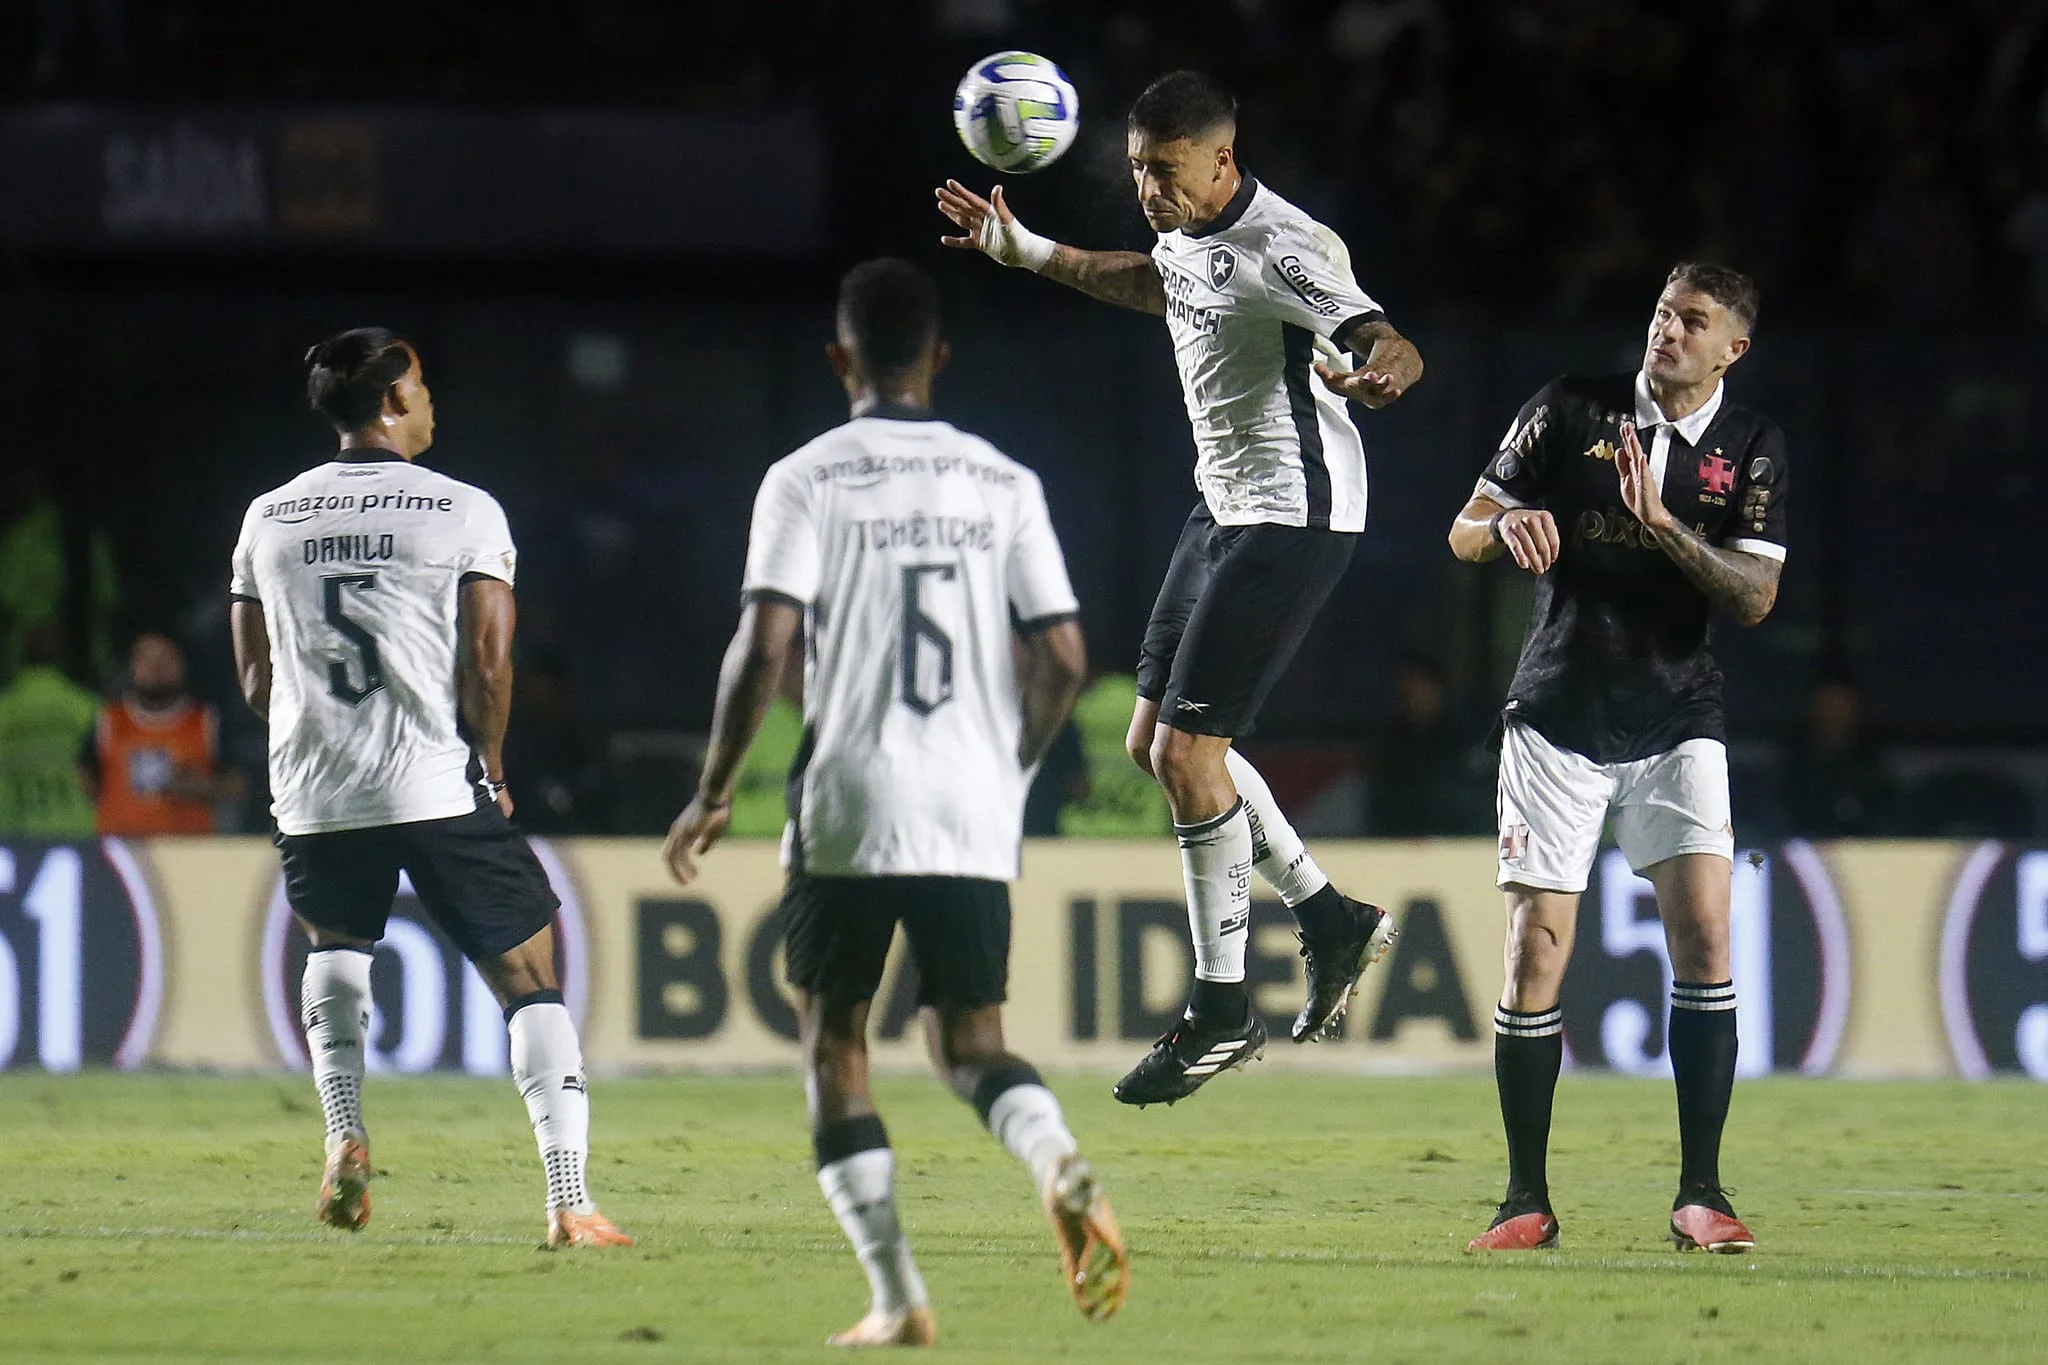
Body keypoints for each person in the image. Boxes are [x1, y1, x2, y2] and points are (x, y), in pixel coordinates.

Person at [661, 259, 1127, 1346]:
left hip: (850, 797)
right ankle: (1055, 1157)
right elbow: (1061, 654)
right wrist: (1007, 765)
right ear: (938, 359)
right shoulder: (1003, 480)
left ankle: (895, 1297)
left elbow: (764, 643)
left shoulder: (805, 478)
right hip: (971, 802)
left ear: (839, 359)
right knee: (969, 1038)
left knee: (835, 1042)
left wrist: (715, 789)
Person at [936, 70, 1423, 1104]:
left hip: (1293, 515)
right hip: (1223, 510)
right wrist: (1025, 252)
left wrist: (1377, 374)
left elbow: (1384, 337)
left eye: (1164, 172)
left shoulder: (1290, 246)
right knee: (1152, 745)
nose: (1149, 191)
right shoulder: (1187, 229)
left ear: (1221, 161)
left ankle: (1218, 1007)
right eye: (1135, 172)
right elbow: (1157, 282)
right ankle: (1329, 919)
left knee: (1192, 755)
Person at [229, 327, 629, 1248]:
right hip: (433, 781)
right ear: (394, 402)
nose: (432, 397)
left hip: (316, 788)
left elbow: (256, 681)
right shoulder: (464, 510)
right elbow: (489, 659)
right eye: (421, 382)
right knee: (530, 975)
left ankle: (343, 1134)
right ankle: (569, 1198)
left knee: (337, 943)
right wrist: (491, 759)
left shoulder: (268, 517)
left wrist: (318, 746)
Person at [1448, 263, 1788, 1255]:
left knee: (1707, 940)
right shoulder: (1568, 410)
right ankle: (1522, 1202)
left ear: (1732, 348)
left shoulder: (1750, 449)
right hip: (1556, 709)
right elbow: (1462, 528)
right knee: (1533, 951)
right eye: (1659, 314)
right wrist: (1500, 522)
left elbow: (1753, 597)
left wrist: (1663, 526)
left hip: (1678, 715)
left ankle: (1700, 1194)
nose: (1666, 333)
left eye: (1692, 322)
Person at [88, 631, 245, 835]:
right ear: (132, 666)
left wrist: (199, 788)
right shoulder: (108, 720)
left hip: (190, 852)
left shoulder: (208, 722)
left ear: (182, 665)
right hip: (118, 850)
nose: (156, 667)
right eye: (146, 659)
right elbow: (85, 777)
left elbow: (239, 785)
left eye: (165, 658)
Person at [0, 625, 99, 836]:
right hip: (75, 829)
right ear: (64, 658)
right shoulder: (85, 707)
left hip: (11, 830)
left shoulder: (5, 709)